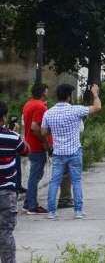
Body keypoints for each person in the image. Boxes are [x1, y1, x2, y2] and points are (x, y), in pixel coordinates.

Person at [41, 83, 101, 220]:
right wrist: (95, 94)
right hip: (74, 152)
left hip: (58, 153)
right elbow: (97, 107)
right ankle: (78, 211)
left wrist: (54, 130)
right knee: (76, 181)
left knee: (54, 182)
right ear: (69, 96)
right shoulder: (76, 110)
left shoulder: (48, 113)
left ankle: (51, 212)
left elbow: (43, 131)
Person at [0, 100, 29, 263]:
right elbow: (26, 150)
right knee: (5, 232)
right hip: (6, 193)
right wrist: (15, 132)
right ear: (4, 117)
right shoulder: (12, 137)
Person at [21, 83, 50, 215]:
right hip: (37, 145)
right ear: (43, 92)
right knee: (35, 175)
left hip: (29, 144)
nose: (47, 93)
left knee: (36, 174)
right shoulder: (39, 106)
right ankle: (32, 206)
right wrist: (45, 143)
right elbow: (35, 127)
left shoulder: (29, 104)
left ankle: (28, 203)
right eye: (46, 91)